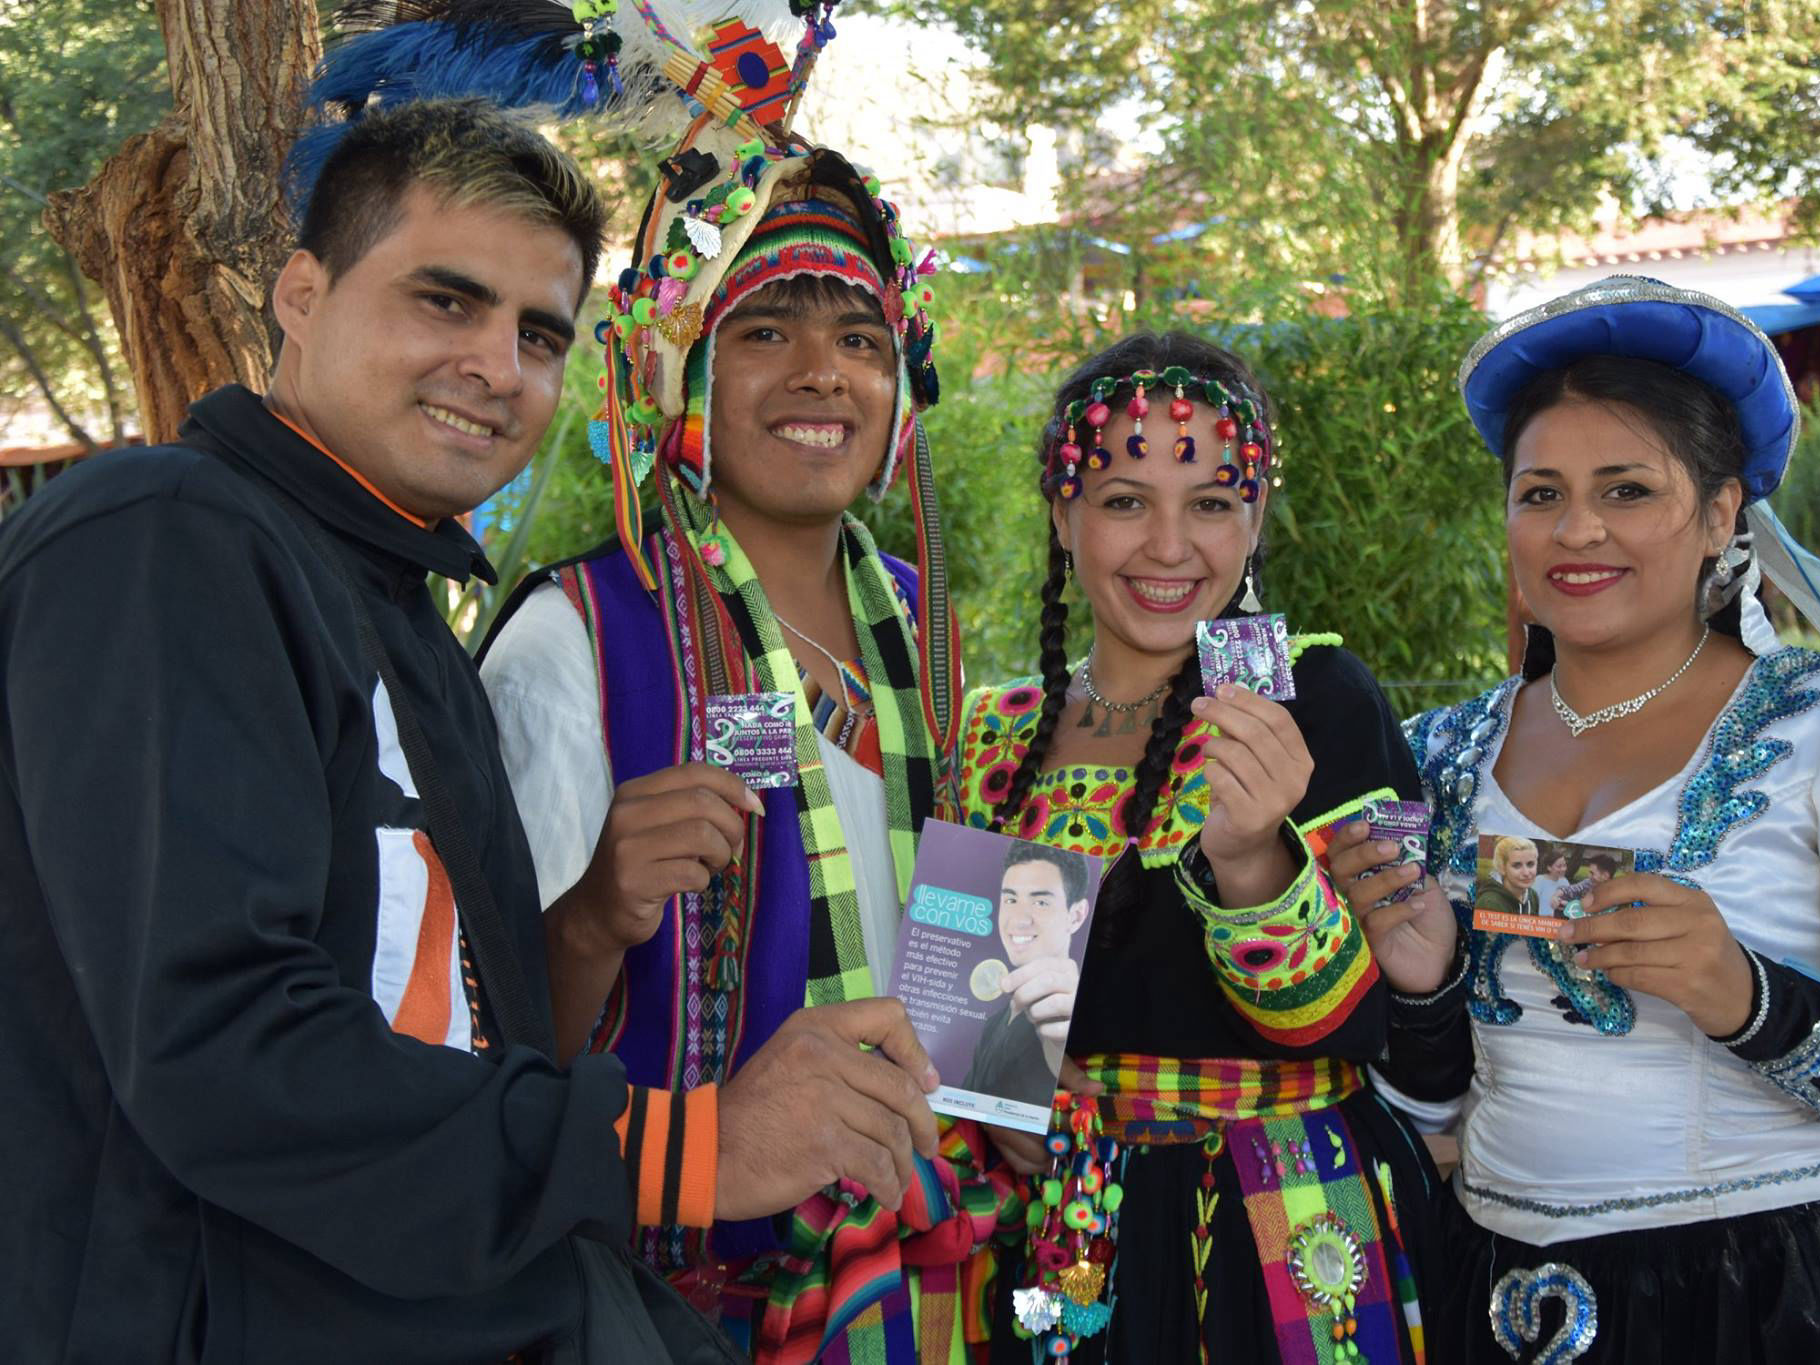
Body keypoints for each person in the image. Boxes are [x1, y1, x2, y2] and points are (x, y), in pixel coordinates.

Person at [0, 97, 918, 1362]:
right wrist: (688, 1147)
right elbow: (220, 1045)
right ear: (301, 294)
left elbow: (463, 1035)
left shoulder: (398, 618)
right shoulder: (168, 535)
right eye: (446, 301)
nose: (495, 366)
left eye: (537, 333)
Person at [1372, 276, 1820, 1362]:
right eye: (1539, 493)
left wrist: (1745, 997)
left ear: (1723, 514)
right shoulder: (1439, 755)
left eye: (1627, 489)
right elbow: (1430, 1103)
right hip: (1498, 1296)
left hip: (1777, 1299)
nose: (1576, 528)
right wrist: (1419, 989)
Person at [472, 99, 1000, 1365]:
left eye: (860, 338)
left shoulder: (922, 629)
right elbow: (484, 1065)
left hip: (937, 1262)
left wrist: (1015, 1102)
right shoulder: (578, 640)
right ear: (677, 369)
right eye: (764, 330)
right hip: (688, 1297)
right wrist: (596, 912)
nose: (823, 372)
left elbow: (973, 964)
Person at [953, 331, 1466, 1363]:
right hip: (1073, 1222)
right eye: (1124, 500)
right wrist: (996, 1095)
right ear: (1062, 515)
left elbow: (1353, 1020)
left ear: (1256, 517)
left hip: (1297, 1210)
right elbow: (961, 1021)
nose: (1168, 546)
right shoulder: (994, 735)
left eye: (1212, 504)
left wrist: (1248, 860)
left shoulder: (1316, 699)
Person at [962, 842, 1093, 1107]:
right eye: (1010, 900)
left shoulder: (1082, 1014)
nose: (1019, 919)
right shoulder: (993, 1025)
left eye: (1041, 902)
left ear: (1076, 916)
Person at [1477, 835, 1546, 919]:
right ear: (1502, 868)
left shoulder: (1533, 895)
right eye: (1517, 865)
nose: (1526, 873)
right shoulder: (1489, 904)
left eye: (1530, 864)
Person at [1529, 843, 1573, 918]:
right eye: (1559, 866)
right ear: (1549, 867)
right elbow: (1530, 905)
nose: (1563, 869)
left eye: (1564, 865)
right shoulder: (1539, 880)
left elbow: (1570, 904)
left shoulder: (1564, 881)